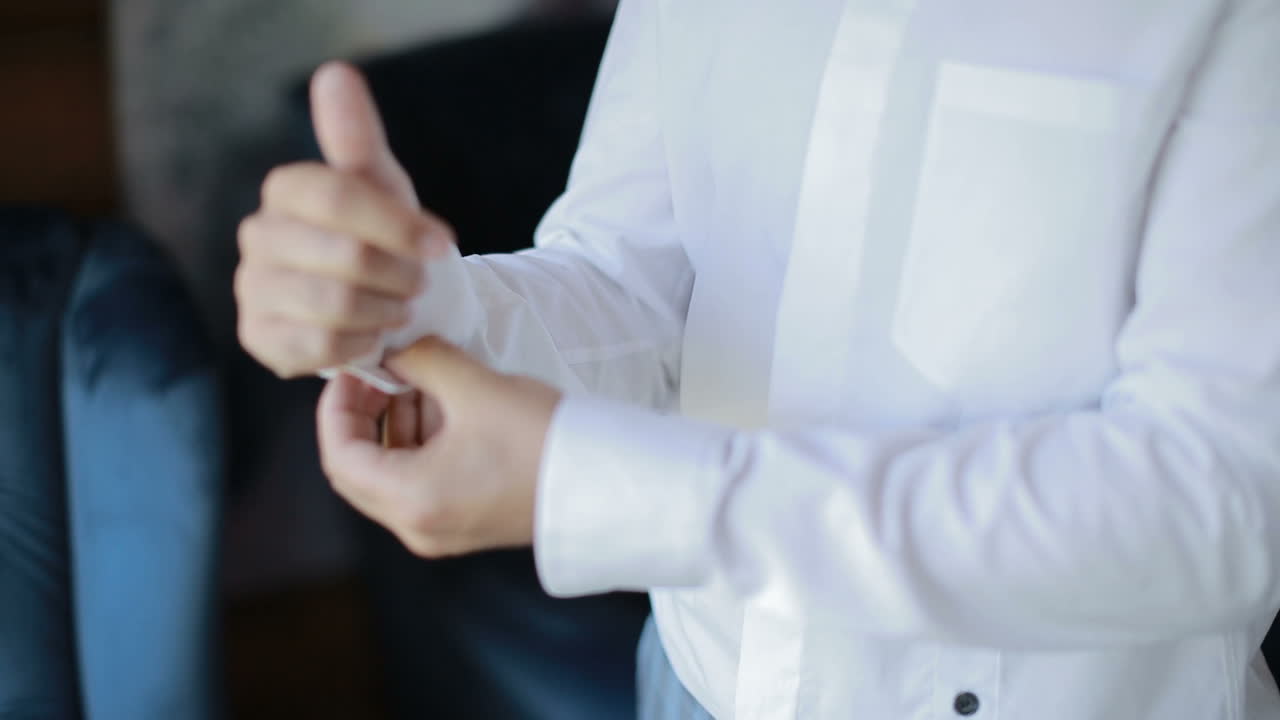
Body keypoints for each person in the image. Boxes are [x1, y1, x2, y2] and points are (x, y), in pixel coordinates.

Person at [234, 0, 1280, 717]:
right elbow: (638, 278)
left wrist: (600, 491)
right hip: (695, 682)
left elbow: (1216, 499)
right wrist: (424, 313)